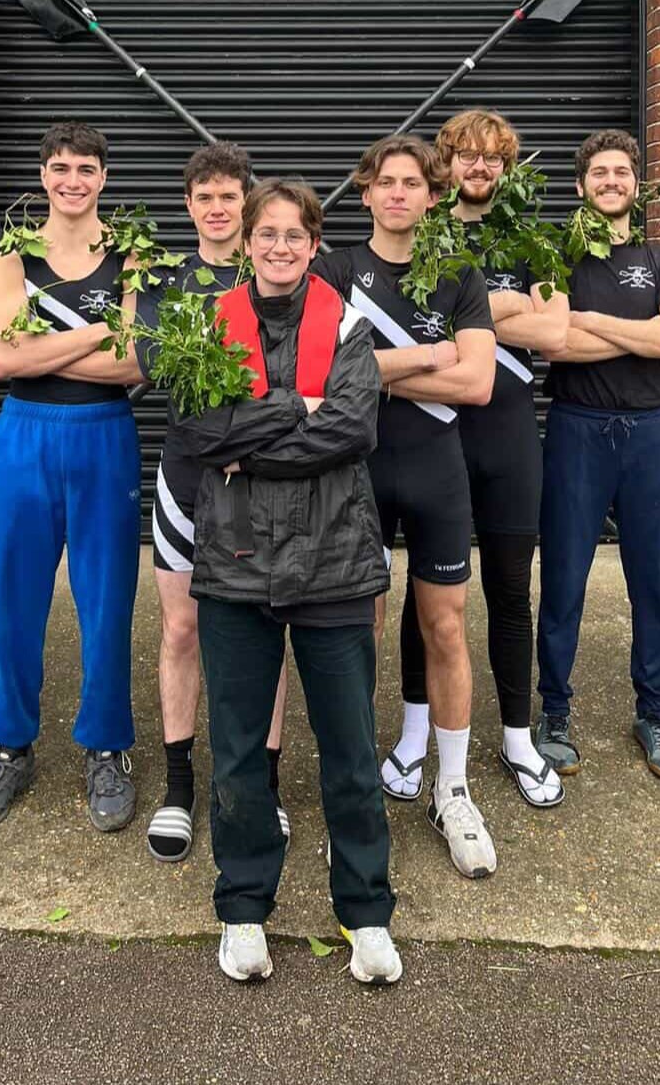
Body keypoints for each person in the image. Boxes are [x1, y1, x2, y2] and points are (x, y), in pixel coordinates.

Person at [173, 177, 401, 984]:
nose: (278, 247)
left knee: (350, 751)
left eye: (293, 236)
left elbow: (353, 427)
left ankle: (365, 913)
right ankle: (242, 908)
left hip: (335, 561)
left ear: (313, 245)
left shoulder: (346, 323)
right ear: (247, 243)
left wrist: (255, 441)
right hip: (236, 564)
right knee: (238, 755)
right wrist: (295, 407)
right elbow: (199, 431)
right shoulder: (206, 324)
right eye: (265, 234)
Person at [313, 135, 498, 880]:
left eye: (411, 183)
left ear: (432, 195)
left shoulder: (457, 273)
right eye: (385, 182)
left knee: (445, 627)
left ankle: (452, 789)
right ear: (365, 193)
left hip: (435, 470)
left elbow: (478, 382)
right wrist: (427, 355)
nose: (397, 193)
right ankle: (356, 788)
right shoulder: (334, 272)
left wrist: (369, 372)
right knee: (357, 628)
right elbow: (319, 372)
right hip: (353, 472)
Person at [0, 121, 144, 835]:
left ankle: (106, 745)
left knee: (107, 600)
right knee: (10, 597)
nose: (73, 181)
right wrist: (97, 334)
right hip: (23, 434)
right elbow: (3, 361)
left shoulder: (130, 255)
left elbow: (135, 363)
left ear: (104, 178)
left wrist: (43, 345)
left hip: (103, 435)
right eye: (61, 168)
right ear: (43, 176)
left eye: (86, 169)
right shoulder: (14, 257)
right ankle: (9, 744)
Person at [393, 109, 570, 808]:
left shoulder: (534, 238)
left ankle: (518, 735)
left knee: (509, 589)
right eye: (466, 154)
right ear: (446, 161)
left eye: (493, 157)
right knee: (427, 591)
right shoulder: (423, 233)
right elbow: (410, 324)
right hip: (433, 428)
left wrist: (473, 310)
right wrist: (507, 303)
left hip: (508, 434)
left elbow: (555, 331)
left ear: (507, 168)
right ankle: (414, 732)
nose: (480, 166)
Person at [140, 141, 290, 863]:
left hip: (263, 476)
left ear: (247, 203)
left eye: (230, 196)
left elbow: (292, 375)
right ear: (189, 205)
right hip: (187, 472)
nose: (218, 208)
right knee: (181, 629)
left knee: (267, 628)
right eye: (205, 197)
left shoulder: (274, 272)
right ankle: (179, 786)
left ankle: (263, 786)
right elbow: (152, 363)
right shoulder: (165, 278)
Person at [536, 129, 660, 781]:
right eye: (599, 173)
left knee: (651, 580)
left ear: (636, 183)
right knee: (564, 578)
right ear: (581, 185)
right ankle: (554, 712)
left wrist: (591, 323)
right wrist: (640, 334)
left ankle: (653, 713)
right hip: (576, 430)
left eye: (621, 172)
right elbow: (555, 343)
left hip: (647, 434)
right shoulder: (557, 257)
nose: (611, 181)